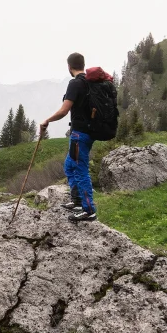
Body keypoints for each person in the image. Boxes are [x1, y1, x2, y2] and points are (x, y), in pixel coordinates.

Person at [40, 52, 97, 222]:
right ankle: (78, 202)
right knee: (69, 166)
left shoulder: (75, 84)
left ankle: (88, 210)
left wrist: (47, 120)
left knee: (80, 170)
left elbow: (64, 110)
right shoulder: (90, 83)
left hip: (80, 134)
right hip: (87, 132)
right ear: (83, 65)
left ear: (69, 67)